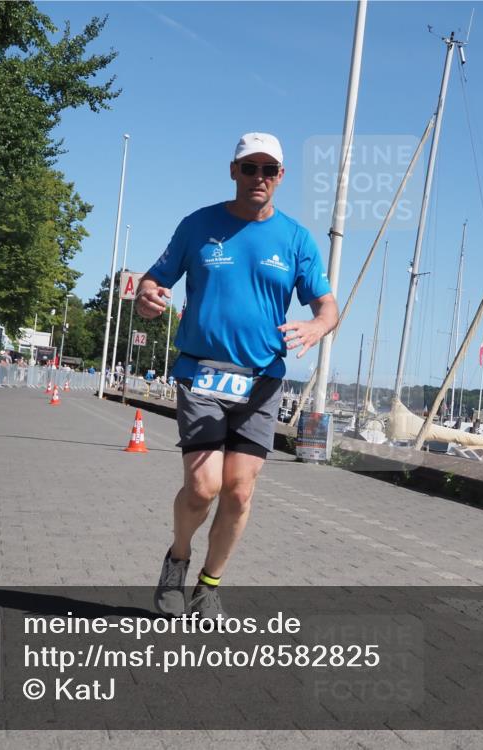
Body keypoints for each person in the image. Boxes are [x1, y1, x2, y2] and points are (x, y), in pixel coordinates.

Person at [135, 132, 338, 618]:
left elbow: (328, 306)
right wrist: (146, 297)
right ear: (233, 171)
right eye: (250, 168)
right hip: (202, 373)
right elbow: (153, 279)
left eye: (268, 170)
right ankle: (176, 561)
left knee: (240, 491)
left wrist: (316, 326)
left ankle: (209, 585)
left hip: (261, 381)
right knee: (203, 487)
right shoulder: (198, 225)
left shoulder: (295, 238)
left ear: (281, 176)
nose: (258, 178)